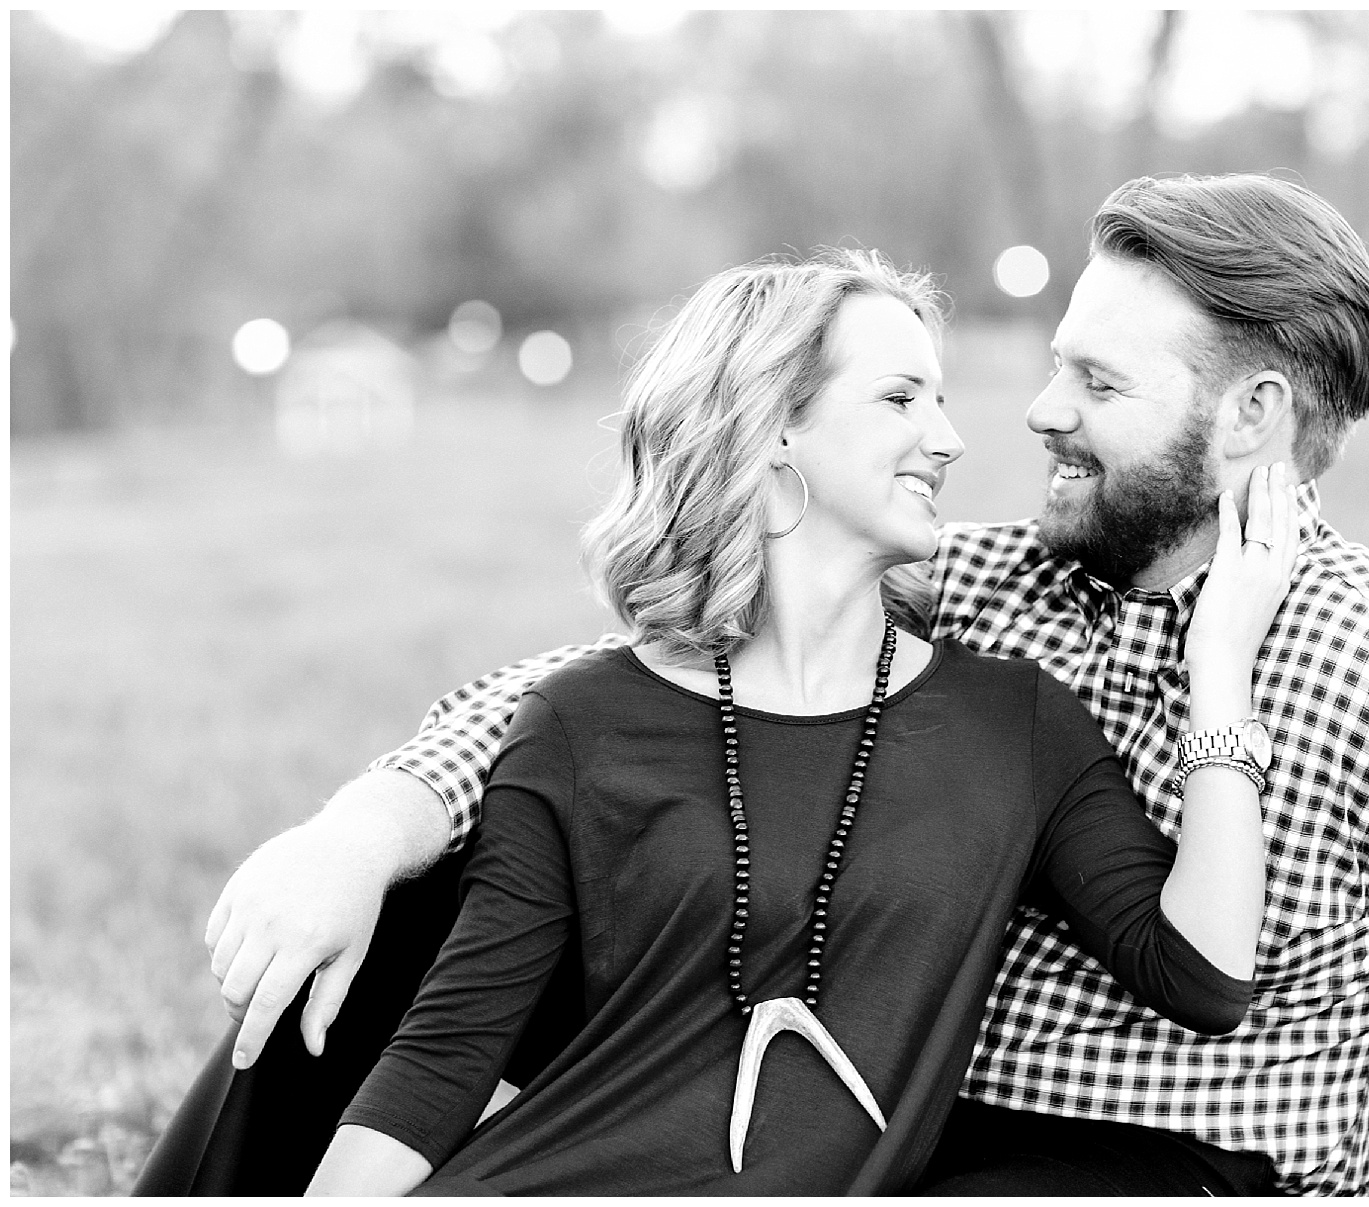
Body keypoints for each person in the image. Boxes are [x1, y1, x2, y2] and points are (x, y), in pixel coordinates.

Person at [198, 174, 1369, 1195]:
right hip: (870, 1089)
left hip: (1149, 1158)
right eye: (1056, 359)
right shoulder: (974, 571)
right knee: (391, 927)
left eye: (1102, 384)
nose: (1039, 411)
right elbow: (613, 689)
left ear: (1254, 417)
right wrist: (364, 821)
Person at [188, 251, 1299, 1196]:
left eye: (942, 399)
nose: (952, 439)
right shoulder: (580, 724)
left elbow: (1200, 972)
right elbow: (442, 1062)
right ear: (774, 434)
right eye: (903, 399)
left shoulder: (1014, 725)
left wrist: (1220, 675)